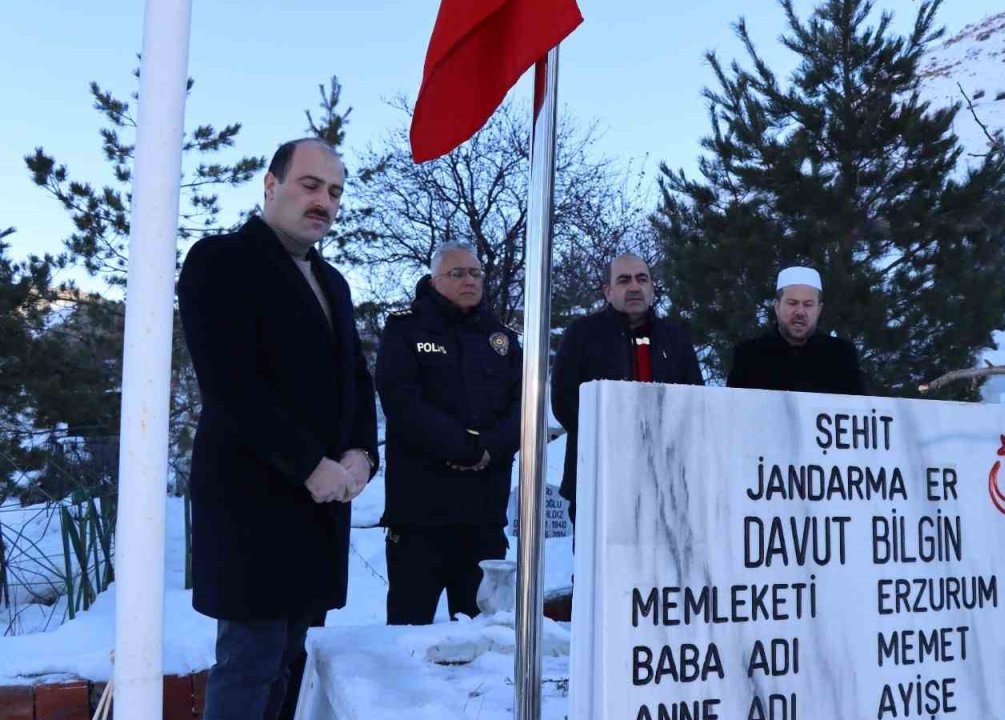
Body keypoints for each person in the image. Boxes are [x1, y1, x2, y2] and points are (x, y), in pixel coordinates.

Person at [177, 138, 378, 720]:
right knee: (249, 662)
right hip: (253, 501)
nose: (324, 201)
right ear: (271, 185)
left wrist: (363, 453)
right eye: (310, 185)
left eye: (335, 192)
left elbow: (356, 379)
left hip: (318, 509)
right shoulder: (221, 261)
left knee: (289, 659)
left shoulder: (333, 281)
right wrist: (310, 465)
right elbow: (230, 384)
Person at [375, 243, 522, 624]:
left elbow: (524, 410)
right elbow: (403, 402)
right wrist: (466, 448)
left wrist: (489, 448)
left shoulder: (502, 338)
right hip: (421, 515)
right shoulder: (405, 329)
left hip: (483, 517)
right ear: (435, 279)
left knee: (485, 637)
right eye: (457, 273)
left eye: (475, 273)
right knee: (408, 633)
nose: (469, 280)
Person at [551, 253, 704, 522]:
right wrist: (615, 437)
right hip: (598, 475)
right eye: (624, 280)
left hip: (664, 478)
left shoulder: (675, 338)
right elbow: (564, 402)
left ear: (652, 288)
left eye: (641, 279)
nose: (634, 287)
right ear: (608, 292)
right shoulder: (582, 335)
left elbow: (695, 401)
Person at [727, 266, 867, 395]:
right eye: (792, 303)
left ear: (819, 310)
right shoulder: (749, 355)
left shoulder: (841, 355)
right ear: (777, 306)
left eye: (808, 305)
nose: (800, 312)